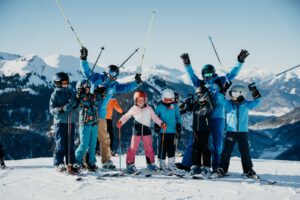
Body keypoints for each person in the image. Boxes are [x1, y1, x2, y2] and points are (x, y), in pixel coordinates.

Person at [180, 50, 249, 171]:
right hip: (203, 116)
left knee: (217, 144)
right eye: (205, 75)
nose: (207, 77)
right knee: (194, 141)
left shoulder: (220, 81)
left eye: (209, 74)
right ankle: (186, 164)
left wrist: (240, 62)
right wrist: (187, 65)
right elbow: (192, 76)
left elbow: (232, 74)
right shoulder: (200, 83)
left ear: (213, 73)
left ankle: (217, 167)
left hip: (218, 117)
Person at [80, 47, 141, 170]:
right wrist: (83, 59)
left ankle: (106, 161)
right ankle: (81, 161)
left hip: (101, 115)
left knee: (104, 138)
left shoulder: (114, 85)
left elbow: (126, 88)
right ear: (107, 72)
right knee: (87, 139)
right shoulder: (96, 78)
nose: (113, 77)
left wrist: (136, 82)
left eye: (116, 75)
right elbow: (86, 71)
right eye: (112, 74)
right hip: (89, 112)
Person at [210, 83, 262, 179]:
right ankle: (222, 169)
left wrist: (254, 91)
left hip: (243, 132)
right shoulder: (229, 104)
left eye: (234, 94)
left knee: (245, 151)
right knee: (226, 151)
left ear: (241, 94)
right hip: (231, 131)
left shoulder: (246, 105)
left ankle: (248, 169)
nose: (232, 96)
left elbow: (258, 101)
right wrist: (224, 89)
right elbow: (220, 99)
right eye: (231, 93)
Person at [116, 91, 167, 174]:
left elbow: (155, 117)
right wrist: (120, 122)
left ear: (145, 100)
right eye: (138, 99)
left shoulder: (149, 109)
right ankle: (130, 164)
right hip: (137, 131)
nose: (140, 101)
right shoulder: (133, 108)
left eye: (142, 99)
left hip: (147, 131)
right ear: (135, 100)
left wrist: (161, 123)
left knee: (149, 148)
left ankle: (151, 163)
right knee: (133, 148)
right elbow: (126, 116)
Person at [49, 72, 79, 174]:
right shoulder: (55, 94)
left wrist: (74, 104)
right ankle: (58, 163)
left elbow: (77, 105)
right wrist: (63, 108)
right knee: (61, 143)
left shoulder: (70, 92)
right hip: (60, 122)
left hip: (71, 121)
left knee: (70, 143)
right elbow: (52, 110)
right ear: (57, 83)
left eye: (67, 82)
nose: (66, 84)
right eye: (64, 82)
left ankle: (71, 162)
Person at [75, 79, 103, 171]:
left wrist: (101, 90)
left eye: (88, 88)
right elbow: (79, 102)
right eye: (84, 88)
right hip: (85, 124)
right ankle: (77, 162)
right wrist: (80, 94)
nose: (87, 89)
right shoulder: (79, 98)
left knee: (93, 144)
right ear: (80, 89)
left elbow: (100, 96)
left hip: (94, 124)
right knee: (84, 144)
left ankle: (91, 162)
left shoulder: (93, 96)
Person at [189, 85, 214, 176]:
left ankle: (206, 166)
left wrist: (209, 98)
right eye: (198, 95)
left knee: (205, 148)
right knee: (196, 147)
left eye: (200, 95)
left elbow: (212, 108)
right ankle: (196, 165)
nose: (199, 97)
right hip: (196, 129)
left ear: (205, 94)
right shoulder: (196, 104)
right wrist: (189, 101)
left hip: (205, 129)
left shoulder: (208, 104)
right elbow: (189, 108)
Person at [155, 89, 181, 172]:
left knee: (171, 148)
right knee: (162, 148)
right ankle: (162, 164)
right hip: (162, 131)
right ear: (163, 98)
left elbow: (178, 117)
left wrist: (178, 124)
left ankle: (171, 164)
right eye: (166, 100)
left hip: (172, 131)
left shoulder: (175, 107)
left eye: (170, 100)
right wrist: (156, 125)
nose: (168, 102)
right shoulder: (159, 107)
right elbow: (155, 117)